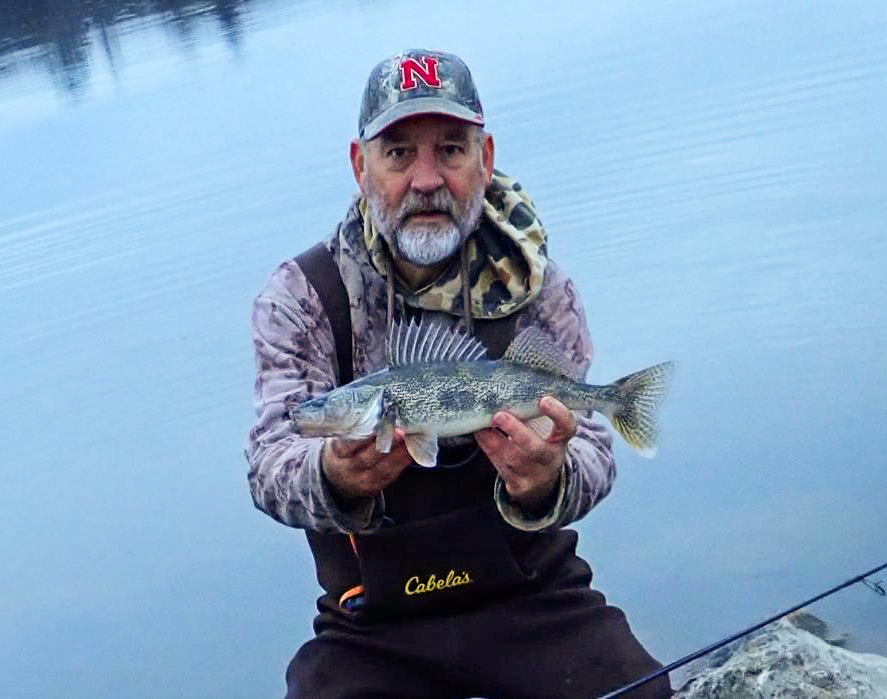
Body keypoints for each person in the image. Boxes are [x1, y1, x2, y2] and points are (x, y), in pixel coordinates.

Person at [246, 49, 671, 699]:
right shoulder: (302, 295)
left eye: (449, 149)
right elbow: (270, 464)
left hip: (532, 599)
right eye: (397, 154)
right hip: (372, 623)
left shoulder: (538, 289)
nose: (425, 179)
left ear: (484, 158)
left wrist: (548, 476)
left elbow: (593, 455)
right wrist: (332, 475)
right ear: (361, 166)